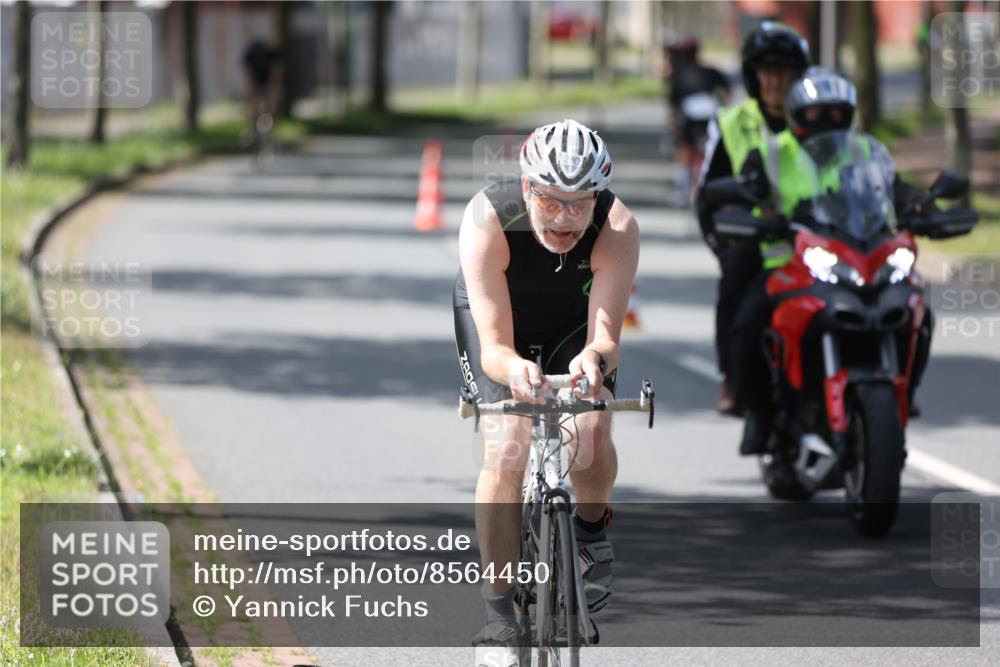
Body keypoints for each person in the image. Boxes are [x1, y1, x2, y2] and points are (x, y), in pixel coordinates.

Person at [454, 119, 639, 662]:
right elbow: (493, 349)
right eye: (551, 200)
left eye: (580, 203)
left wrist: (593, 362)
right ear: (527, 186)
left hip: (571, 328)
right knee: (507, 444)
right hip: (500, 328)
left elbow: (605, 337)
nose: (564, 217)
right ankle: (497, 617)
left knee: (593, 424)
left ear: (598, 197)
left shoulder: (619, 225)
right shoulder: (488, 216)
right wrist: (512, 369)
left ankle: (588, 531)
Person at [728, 67, 933, 456]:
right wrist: (753, 212)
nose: (826, 122)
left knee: (917, 306)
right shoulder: (771, 152)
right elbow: (745, 192)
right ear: (795, 114)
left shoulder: (866, 150)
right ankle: (759, 412)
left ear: (850, 115)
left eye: (837, 114)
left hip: (859, 254)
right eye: (815, 114)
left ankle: (905, 388)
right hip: (789, 261)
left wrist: (920, 206)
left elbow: (893, 189)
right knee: (747, 322)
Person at [695, 21, 810, 414]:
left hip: (816, 234)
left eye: (784, 70)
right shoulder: (730, 121)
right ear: (753, 74)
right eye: (767, 70)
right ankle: (733, 379)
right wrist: (722, 242)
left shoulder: (818, 117)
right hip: (752, 236)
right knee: (736, 281)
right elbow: (708, 191)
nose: (776, 80)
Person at [663, 35, 730, 205]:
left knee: (683, 149)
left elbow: (674, 109)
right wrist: (723, 106)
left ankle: (682, 188)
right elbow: (726, 90)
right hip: (712, 119)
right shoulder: (710, 71)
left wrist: (673, 130)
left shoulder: (678, 76)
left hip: (692, 122)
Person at [241, 39, 284, 136]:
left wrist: (271, 95)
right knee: (250, 102)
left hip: (269, 79)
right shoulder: (249, 58)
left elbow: (276, 77)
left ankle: (272, 124)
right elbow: (248, 79)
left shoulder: (274, 56)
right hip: (257, 80)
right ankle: (252, 127)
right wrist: (250, 96)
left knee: (273, 99)